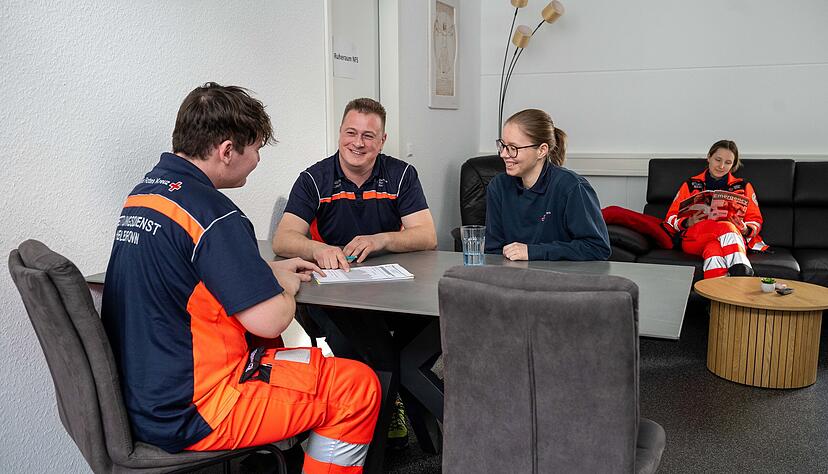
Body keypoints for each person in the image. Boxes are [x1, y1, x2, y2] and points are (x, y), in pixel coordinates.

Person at [101, 83, 380, 474]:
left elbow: (187, 277)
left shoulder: (145, 196)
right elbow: (272, 319)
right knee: (357, 387)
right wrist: (285, 285)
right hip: (198, 408)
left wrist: (264, 271)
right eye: (256, 149)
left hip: (142, 398)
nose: (258, 159)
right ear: (227, 151)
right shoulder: (215, 214)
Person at [273, 97, 437, 449]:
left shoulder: (401, 174)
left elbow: (427, 235)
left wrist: (381, 240)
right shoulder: (314, 178)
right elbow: (284, 238)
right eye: (351, 132)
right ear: (339, 134)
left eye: (368, 135)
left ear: (382, 140)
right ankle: (378, 415)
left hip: (398, 292)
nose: (358, 143)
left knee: (419, 342)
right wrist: (318, 249)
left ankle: (384, 403)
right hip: (337, 295)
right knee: (378, 354)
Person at [485, 108, 611, 261]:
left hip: (561, 279)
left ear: (541, 150)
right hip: (512, 278)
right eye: (503, 146)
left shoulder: (572, 187)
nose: (503, 154)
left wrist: (533, 252)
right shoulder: (498, 187)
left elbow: (597, 248)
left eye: (513, 148)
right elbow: (492, 249)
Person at [664, 139, 767, 279]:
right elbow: (670, 219)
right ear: (709, 157)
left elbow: (755, 220)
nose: (722, 166)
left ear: (733, 165)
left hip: (732, 240)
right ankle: (742, 269)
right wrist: (688, 222)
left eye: (728, 162)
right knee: (726, 226)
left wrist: (744, 229)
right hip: (695, 238)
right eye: (718, 160)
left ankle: (718, 297)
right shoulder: (690, 184)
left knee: (714, 250)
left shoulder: (744, 186)